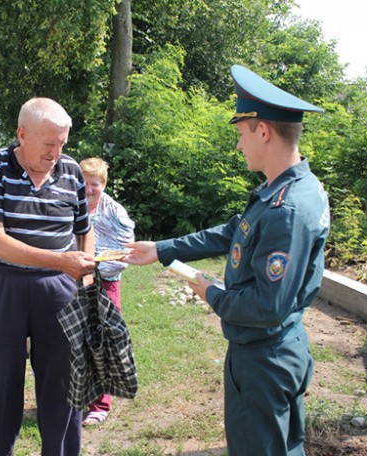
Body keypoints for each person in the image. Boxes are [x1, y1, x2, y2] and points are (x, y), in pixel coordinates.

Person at [124, 65, 330, 456]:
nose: (239, 145)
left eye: (241, 134)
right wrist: (163, 249)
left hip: (263, 358)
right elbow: (234, 231)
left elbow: (266, 306)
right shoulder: (292, 189)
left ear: (264, 131)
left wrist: (212, 292)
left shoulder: (286, 208)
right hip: (280, 347)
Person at [0, 97, 97, 455]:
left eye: (62, 143)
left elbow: (85, 228)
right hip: (1, 286)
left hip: (60, 288)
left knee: (64, 389)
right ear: (22, 134)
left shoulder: (71, 171)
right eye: (49, 143)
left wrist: (83, 277)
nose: (56, 152)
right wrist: (61, 262)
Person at [78, 157, 135, 426]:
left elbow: (127, 252)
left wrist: (95, 267)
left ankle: (100, 405)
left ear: (104, 184)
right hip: (71, 281)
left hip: (104, 284)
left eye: (94, 184)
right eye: (84, 183)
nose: (88, 189)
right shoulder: (69, 206)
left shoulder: (115, 212)